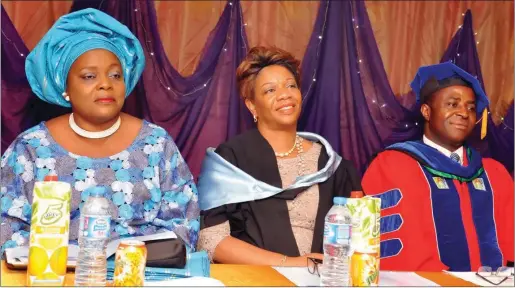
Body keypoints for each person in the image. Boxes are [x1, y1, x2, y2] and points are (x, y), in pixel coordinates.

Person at [0, 8, 199, 255]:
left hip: (142, 275)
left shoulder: (157, 144)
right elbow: (6, 228)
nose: (106, 83)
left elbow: (183, 224)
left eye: (115, 75)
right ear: (66, 87)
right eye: (89, 76)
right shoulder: (30, 149)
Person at [196, 46, 362, 266]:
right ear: (252, 105)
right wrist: (292, 264)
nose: (285, 94)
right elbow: (211, 241)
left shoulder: (332, 165)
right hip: (256, 280)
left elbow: (358, 239)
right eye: (270, 90)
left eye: (291, 85)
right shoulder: (229, 162)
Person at [362, 62, 514, 271]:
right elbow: (400, 252)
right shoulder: (393, 166)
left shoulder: (494, 173)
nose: (464, 113)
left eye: (471, 107)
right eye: (452, 104)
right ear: (426, 111)